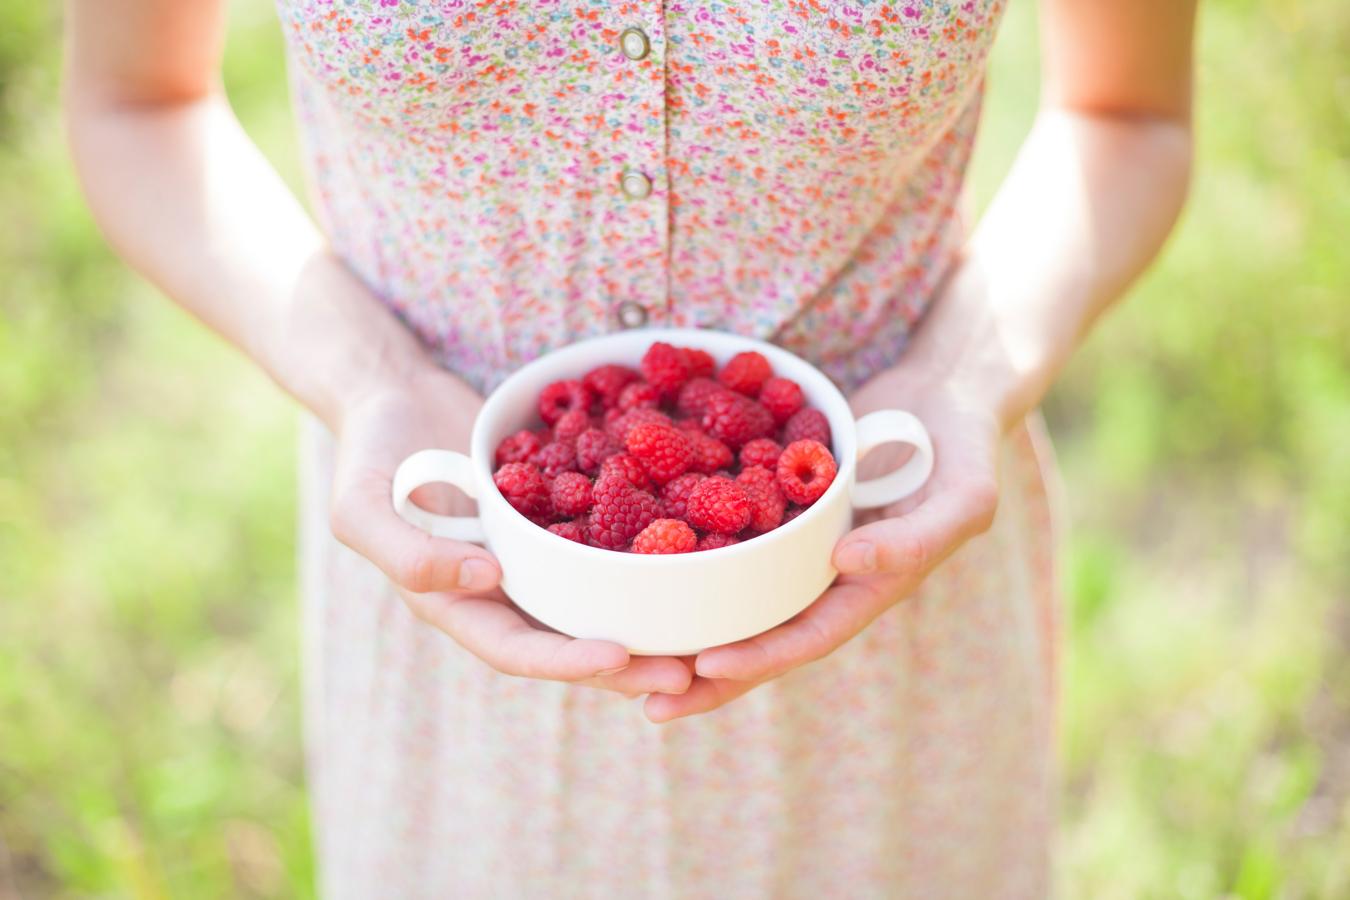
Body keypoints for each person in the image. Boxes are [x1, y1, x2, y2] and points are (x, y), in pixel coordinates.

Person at [64, 1, 1196, 896]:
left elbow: (1124, 115)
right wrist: (375, 384)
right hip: (454, 566)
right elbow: (137, 103)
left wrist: (960, 383)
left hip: (882, 557)